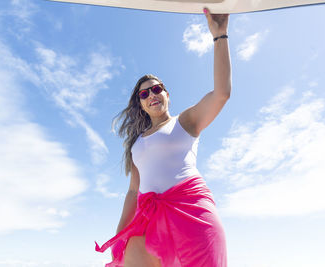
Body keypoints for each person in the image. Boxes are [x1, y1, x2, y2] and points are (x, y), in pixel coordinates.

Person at [95, 7, 231, 267]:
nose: (151, 95)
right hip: (148, 219)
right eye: (144, 94)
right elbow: (133, 192)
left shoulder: (186, 121)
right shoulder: (135, 144)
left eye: (156, 89)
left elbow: (222, 93)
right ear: (141, 105)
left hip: (191, 211)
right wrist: (118, 237)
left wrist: (220, 36)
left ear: (167, 94)